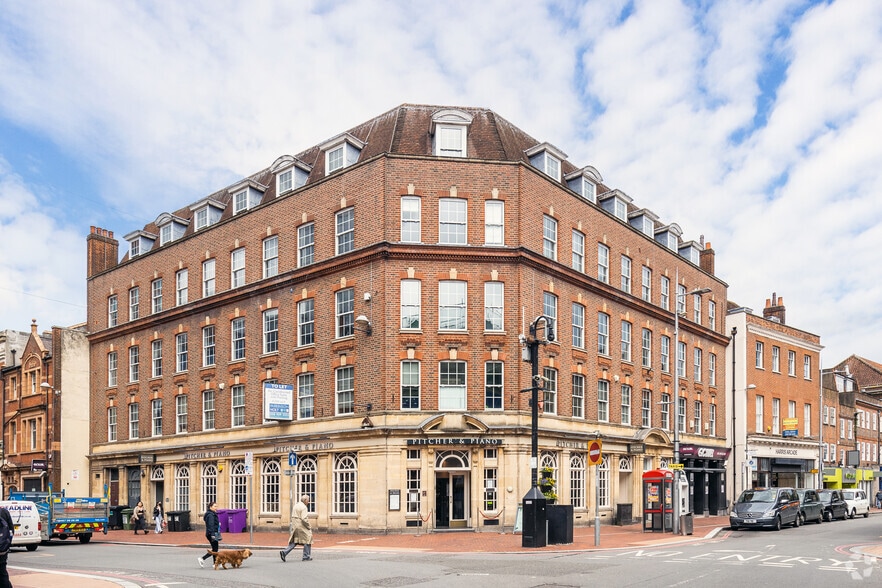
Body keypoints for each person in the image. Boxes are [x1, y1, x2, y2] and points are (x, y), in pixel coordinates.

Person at [280, 495, 313, 562]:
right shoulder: (304, 507)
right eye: (308, 500)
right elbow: (304, 518)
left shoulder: (296, 505)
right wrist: (308, 526)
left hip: (295, 526)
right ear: (305, 500)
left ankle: (284, 552)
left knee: (295, 541)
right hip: (301, 526)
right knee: (308, 538)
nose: (308, 502)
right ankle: (306, 556)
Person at [198, 501, 220, 568]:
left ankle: (214, 563)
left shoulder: (211, 514)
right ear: (210, 507)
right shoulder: (210, 515)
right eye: (215, 506)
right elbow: (211, 525)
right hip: (212, 533)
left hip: (211, 533)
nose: (216, 508)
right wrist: (213, 534)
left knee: (215, 549)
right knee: (215, 549)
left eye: (216, 506)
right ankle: (203, 559)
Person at [0, 505, 13, 588]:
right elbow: (11, 530)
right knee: (2, 572)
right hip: (2, 550)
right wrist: (6, 545)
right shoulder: (4, 512)